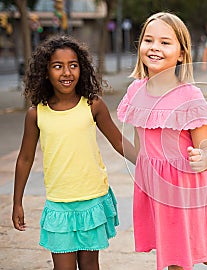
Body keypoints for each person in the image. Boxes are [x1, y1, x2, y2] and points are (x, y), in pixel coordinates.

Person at [117, 12, 207, 270]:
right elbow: (139, 142)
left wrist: (204, 157)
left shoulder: (189, 96)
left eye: (165, 42)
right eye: (148, 40)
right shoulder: (135, 91)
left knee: (206, 256)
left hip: (187, 181)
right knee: (176, 252)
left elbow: (206, 145)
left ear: (181, 53)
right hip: (156, 183)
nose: (155, 47)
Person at [12, 35, 136, 270]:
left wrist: (146, 162)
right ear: (45, 72)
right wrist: (17, 202)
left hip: (91, 199)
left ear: (82, 69)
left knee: (90, 264)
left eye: (73, 65)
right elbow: (25, 159)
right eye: (58, 66)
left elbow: (118, 142)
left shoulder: (93, 105)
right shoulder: (37, 113)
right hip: (59, 203)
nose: (67, 72)